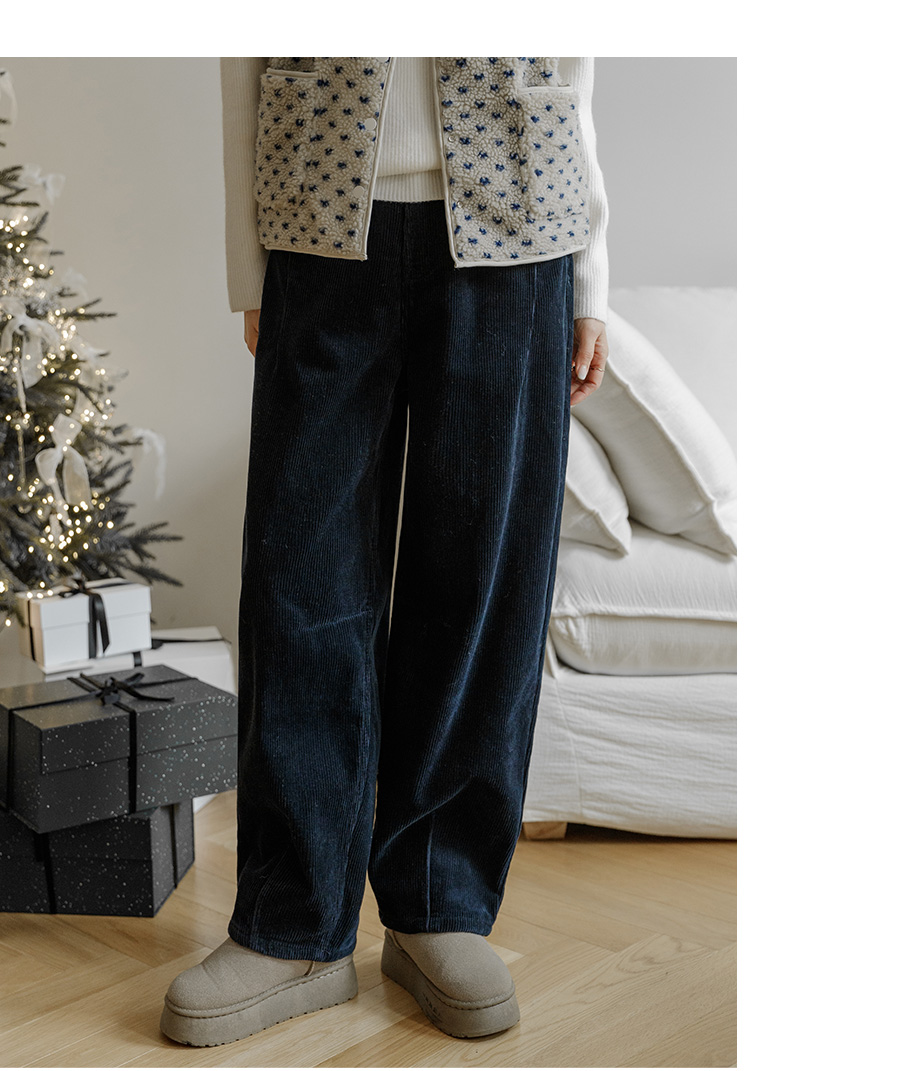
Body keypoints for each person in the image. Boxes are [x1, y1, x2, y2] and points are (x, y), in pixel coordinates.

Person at [160, 56, 610, 1048]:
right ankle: (294, 924)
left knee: (480, 579)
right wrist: (250, 266)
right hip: (318, 215)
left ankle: (440, 902)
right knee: (299, 577)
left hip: (522, 220)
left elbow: (576, 53)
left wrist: (590, 276)